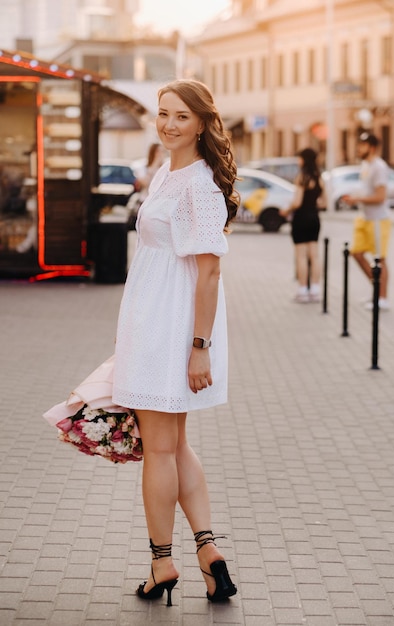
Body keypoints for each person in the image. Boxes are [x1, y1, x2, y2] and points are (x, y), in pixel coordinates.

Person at [112, 79, 239, 607]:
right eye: (163, 114)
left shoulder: (200, 186)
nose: (168, 124)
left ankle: (161, 562)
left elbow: (208, 273)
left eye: (181, 117)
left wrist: (199, 346)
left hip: (174, 327)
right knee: (175, 444)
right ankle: (210, 554)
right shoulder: (169, 170)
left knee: (159, 449)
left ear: (204, 123)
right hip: (153, 321)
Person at [343, 132, 391, 310]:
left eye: (361, 145)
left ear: (371, 147)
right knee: (356, 253)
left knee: (379, 259)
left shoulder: (379, 167)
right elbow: (366, 191)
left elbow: (380, 196)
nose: (358, 148)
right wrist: (355, 197)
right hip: (364, 217)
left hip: (378, 219)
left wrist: (357, 200)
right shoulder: (366, 165)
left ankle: (382, 297)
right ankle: (376, 290)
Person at [280, 147, 326, 303]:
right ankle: (315, 289)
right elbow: (324, 202)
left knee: (301, 255)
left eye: (299, 158)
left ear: (304, 160)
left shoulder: (302, 177)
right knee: (315, 254)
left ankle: (302, 291)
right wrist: (312, 204)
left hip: (301, 219)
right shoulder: (319, 178)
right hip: (314, 218)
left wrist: (286, 210)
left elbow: (297, 202)